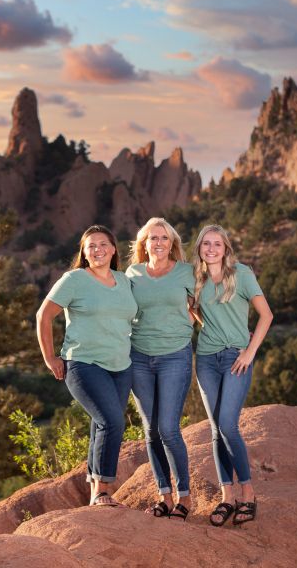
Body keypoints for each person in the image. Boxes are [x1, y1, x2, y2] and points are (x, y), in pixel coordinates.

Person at [36, 225, 138, 507]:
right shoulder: (75, 279)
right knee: (112, 421)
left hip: (121, 366)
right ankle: (103, 492)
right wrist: (50, 358)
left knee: (101, 424)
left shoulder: (124, 280)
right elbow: (43, 316)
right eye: (91, 246)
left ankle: (95, 488)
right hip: (83, 363)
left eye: (103, 244)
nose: (98, 250)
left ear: (114, 249)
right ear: (83, 252)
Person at [191, 224, 273, 526]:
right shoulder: (196, 279)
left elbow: (267, 315)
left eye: (217, 244)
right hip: (207, 360)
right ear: (199, 248)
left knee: (227, 423)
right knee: (215, 429)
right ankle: (227, 497)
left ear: (226, 248)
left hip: (236, 357)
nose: (211, 249)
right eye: (206, 244)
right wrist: (207, 325)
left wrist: (250, 351)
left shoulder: (241, 274)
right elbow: (199, 312)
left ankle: (248, 493)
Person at [125, 217, 196, 521]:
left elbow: (202, 306)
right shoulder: (133, 274)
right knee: (151, 430)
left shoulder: (186, 272)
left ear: (172, 244)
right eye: (152, 238)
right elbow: (117, 311)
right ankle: (163, 495)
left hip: (174, 357)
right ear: (144, 244)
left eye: (164, 238)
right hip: (139, 357)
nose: (158, 243)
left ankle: (184, 496)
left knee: (168, 427)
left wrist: (232, 334)